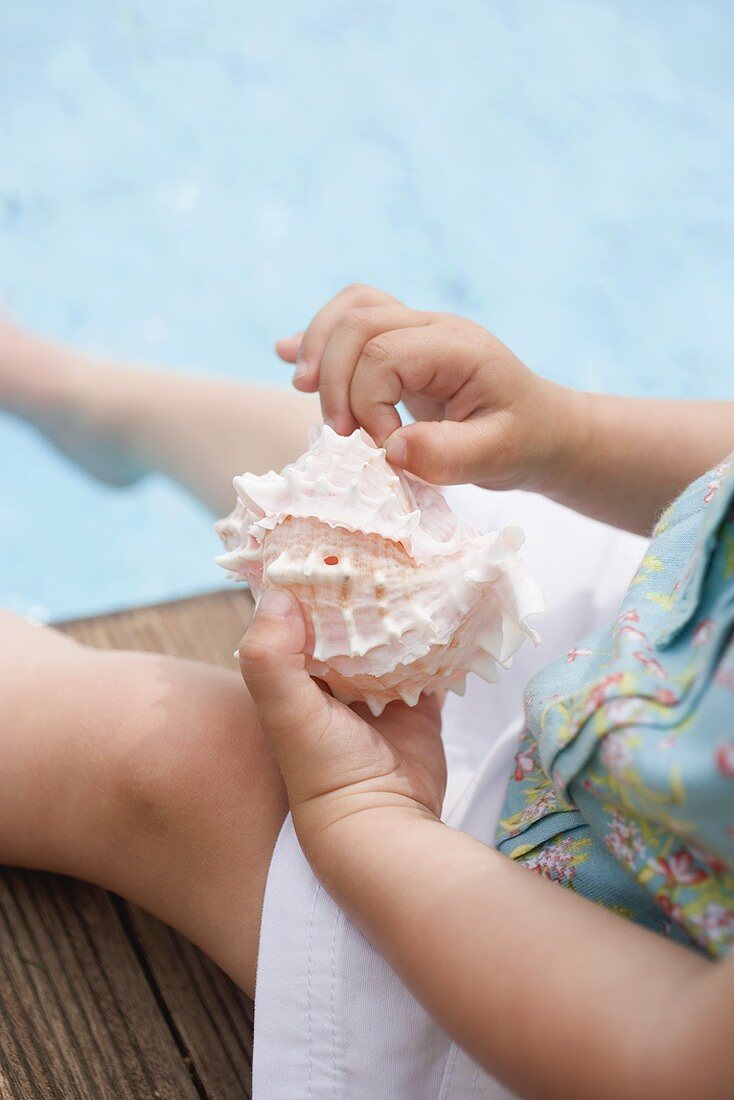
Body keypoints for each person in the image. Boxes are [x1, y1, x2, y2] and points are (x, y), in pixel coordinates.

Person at [1, 284, 733, 1098]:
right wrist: (568, 438)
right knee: (342, 463)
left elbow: (668, 1059)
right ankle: (79, 395)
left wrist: (367, 816)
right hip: (660, 634)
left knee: (180, 758)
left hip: (539, 973)